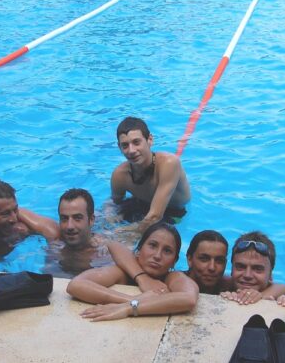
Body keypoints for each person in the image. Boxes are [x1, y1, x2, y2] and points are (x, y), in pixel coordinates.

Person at [66, 223, 198, 321]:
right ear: (139, 250)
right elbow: (75, 285)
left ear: (174, 261)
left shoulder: (172, 277)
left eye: (167, 251)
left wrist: (128, 308)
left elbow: (189, 299)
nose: (158, 255)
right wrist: (133, 301)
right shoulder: (122, 273)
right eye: (152, 245)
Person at [109, 117, 191, 229]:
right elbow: (113, 204)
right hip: (138, 204)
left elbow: (155, 217)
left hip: (172, 212)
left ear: (150, 140)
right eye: (125, 145)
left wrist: (123, 235)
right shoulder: (120, 175)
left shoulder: (169, 164)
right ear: (119, 147)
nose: (131, 150)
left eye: (136, 142)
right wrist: (108, 220)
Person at [219, 232, 285, 305]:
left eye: (258, 269)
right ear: (232, 269)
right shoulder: (223, 284)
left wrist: (262, 296)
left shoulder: (278, 293)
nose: (247, 275)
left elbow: (284, 288)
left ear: (270, 274)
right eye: (241, 267)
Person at [183, 230, 231, 294]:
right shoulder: (174, 281)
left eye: (219, 261)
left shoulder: (229, 285)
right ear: (189, 259)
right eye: (204, 259)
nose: (212, 268)